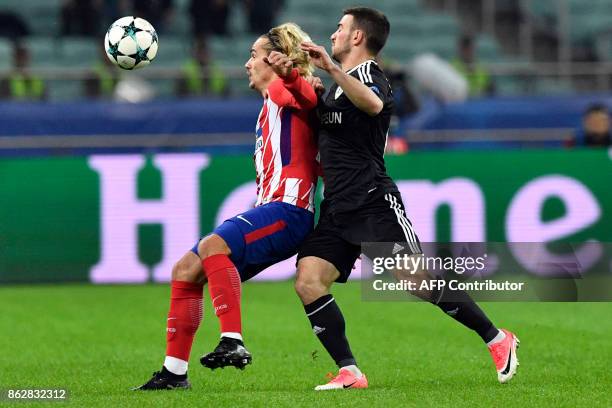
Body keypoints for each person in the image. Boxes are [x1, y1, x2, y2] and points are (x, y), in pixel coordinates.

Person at [296, 7, 519, 390]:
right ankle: (350, 370)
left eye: (340, 27)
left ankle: (497, 338)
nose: (333, 33)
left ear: (357, 38)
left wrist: (329, 71)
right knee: (309, 280)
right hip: (337, 205)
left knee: (416, 280)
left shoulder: (370, 75)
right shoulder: (335, 84)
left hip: (372, 200)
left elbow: (374, 105)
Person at [135, 22, 320, 390]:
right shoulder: (272, 101)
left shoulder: (285, 89)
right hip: (273, 208)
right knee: (186, 269)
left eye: (254, 56)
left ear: (277, 59)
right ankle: (174, 373)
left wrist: (293, 77)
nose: (247, 64)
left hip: (290, 211)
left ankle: (233, 340)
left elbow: (307, 99)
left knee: (211, 246)